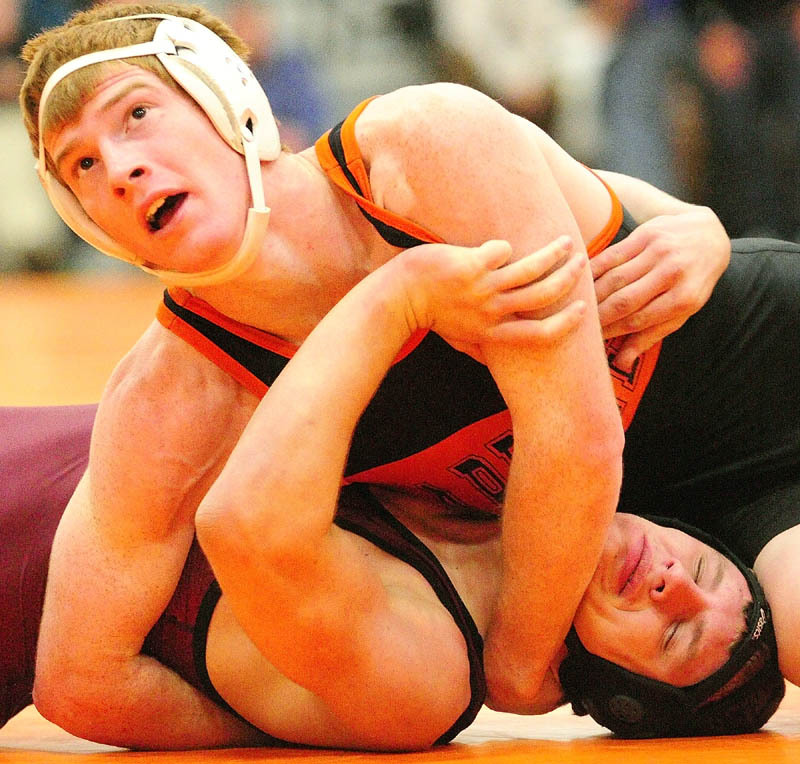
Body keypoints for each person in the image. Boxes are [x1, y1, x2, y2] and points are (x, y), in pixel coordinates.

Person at [18, 1, 737, 732]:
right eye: (81, 163)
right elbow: (79, 679)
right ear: (84, 222)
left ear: (228, 93)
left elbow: (542, 181)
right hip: (681, 481)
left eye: (136, 115)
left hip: (734, 389)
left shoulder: (415, 156)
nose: (118, 168)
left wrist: (696, 224)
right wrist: (306, 727)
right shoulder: (180, 391)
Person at [2, 238, 783, 747]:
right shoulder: (512, 494)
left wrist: (397, 297)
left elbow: (242, 523)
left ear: (609, 689)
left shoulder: (423, 677)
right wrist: (695, 226)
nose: (672, 583)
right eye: (705, 572)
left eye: (674, 633)